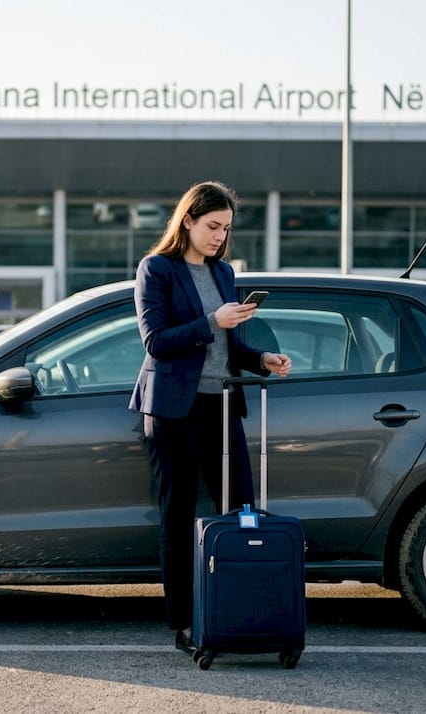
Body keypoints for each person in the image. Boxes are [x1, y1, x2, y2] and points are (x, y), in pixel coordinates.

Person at [128, 180, 293, 655]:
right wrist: (211, 322)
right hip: (174, 410)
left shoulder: (222, 272)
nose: (220, 236)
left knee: (242, 511)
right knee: (178, 516)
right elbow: (156, 341)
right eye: (213, 226)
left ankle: (241, 612)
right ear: (188, 221)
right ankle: (184, 623)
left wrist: (261, 359)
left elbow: (229, 345)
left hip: (222, 404)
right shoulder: (157, 269)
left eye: (226, 228)